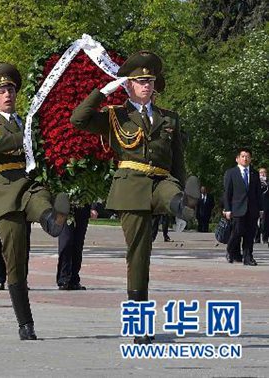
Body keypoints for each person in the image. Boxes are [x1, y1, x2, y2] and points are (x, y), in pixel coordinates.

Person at [70, 50, 200, 344]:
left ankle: (183, 204)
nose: (145, 85)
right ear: (128, 85)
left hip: (162, 180)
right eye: (140, 81)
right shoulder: (115, 115)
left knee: (172, 191)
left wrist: (182, 187)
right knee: (139, 256)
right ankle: (141, 324)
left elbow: (177, 161)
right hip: (131, 185)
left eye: (149, 81)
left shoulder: (169, 118)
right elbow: (78, 119)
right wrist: (103, 92)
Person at [0, 63, 69, 340]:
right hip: (5, 190)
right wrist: (25, 136)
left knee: (42, 202)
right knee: (16, 262)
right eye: (1, 91)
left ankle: (52, 221)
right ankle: (25, 323)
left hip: (29, 183)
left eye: (11, 90)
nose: (8, 94)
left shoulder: (29, 120)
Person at [223, 149, 260, 266]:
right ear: (237, 159)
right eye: (243, 156)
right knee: (237, 232)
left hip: (252, 209)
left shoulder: (254, 173)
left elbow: (258, 193)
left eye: (247, 156)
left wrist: (261, 209)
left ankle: (248, 257)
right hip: (237, 209)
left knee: (250, 234)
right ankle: (230, 250)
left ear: (250, 159)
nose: (245, 159)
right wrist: (227, 209)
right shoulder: (231, 173)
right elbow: (227, 193)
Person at [56, 204, 93, 290]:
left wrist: (93, 207)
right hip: (65, 209)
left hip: (82, 208)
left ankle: (74, 280)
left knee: (78, 244)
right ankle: (63, 278)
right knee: (66, 242)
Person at [257, 169, 268, 244]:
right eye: (261, 172)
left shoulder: (267, 182)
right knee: (255, 222)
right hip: (257, 204)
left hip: (266, 205)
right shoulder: (255, 182)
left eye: (264, 172)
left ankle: (265, 238)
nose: (262, 174)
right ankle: (256, 238)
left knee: (265, 222)